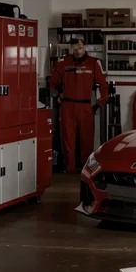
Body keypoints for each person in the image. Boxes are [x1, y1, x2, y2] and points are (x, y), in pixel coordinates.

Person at [50, 34, 108, 172]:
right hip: (67, 107)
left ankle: (85, 171)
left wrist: (98, 104)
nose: (77, 50)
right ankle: (69, 169)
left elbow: (103, 86)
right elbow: (52, 82)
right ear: (71, 47)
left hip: (86, 107)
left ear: (84, 46)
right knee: (67, 139)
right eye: (74, 47)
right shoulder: (63, 63)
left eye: (80, 47)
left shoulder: (93, 63)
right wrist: (58, 94)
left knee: (86, 140)